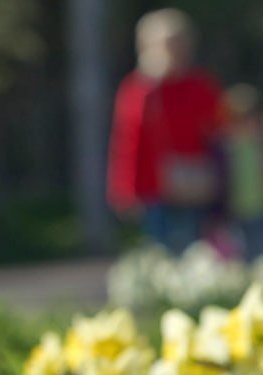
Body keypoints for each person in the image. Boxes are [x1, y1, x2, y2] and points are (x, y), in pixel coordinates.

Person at [107, 9, 222, 253]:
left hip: (194, 183)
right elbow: (128, 142)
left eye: (179, 41)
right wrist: (124, 189)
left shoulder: (200, 85)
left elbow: (218, 130)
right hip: (154, 187)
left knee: (196, 251)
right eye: (167, 43)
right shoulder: (139, 89)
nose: (174, 49)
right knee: (162, 252)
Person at [213, 85, 263, 261]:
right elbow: (219, 183)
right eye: (238, 120)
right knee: (238, 257)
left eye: (250, 118)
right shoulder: (225, 149)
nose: (245, 124)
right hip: (235, 212)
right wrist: (217, 214)